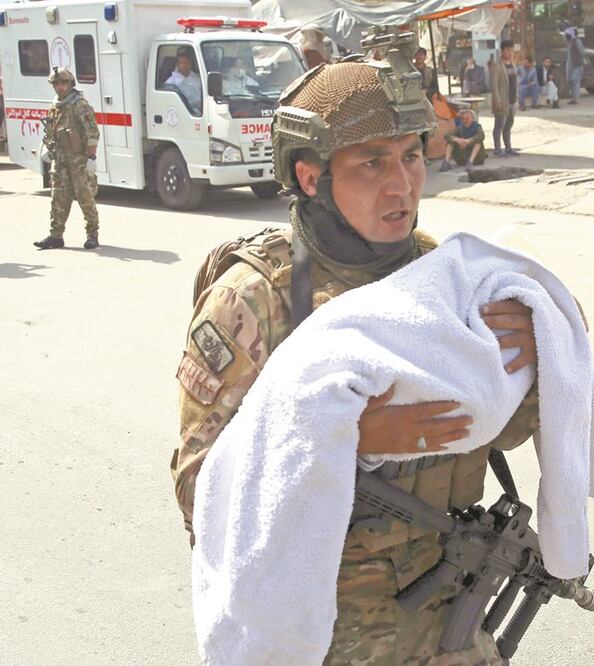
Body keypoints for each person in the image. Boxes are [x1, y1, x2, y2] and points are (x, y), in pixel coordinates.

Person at [171, 53, 540, 664]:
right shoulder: (255, 301)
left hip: (444, 599)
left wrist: (531, 357)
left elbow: (502, 433)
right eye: (372, 163)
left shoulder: (441, 276)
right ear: (311, 177)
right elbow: (200, 490)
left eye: (411, 156)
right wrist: (342, 440)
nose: (403, 184)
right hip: (318, 624)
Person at [33, 67, 100, 250]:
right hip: (60, 159)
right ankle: (56, 236)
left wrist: (91, 157)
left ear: (70, 84)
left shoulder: (80, 105)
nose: (60, 87)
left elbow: (92, 132)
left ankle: (92, 235)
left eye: (63, 83)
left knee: (85, 197)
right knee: (58, 197)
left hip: (78, 159)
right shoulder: (55, 106)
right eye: (56, 84)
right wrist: (48, 149)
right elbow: (51, 131)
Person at [488, 40, 519, 156]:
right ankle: (497, 149)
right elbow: (494, 84)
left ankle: (508, 148)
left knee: (509, 125)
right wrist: (497, 100)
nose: (510, 53)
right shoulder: (497, 65)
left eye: (511, 51)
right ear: (502, 51)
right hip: (502, 100)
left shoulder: (512, 64)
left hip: (512, 99)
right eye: (507, 51)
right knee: (499, 125)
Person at [564, 27, 585, 105]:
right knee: (570, 81)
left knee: (575, 81)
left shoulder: (577, 41)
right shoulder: (569, 42)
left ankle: (575, 99)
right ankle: (573, 98)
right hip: (570, 64)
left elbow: (582, 52)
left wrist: (578, 59)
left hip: (576, 64)